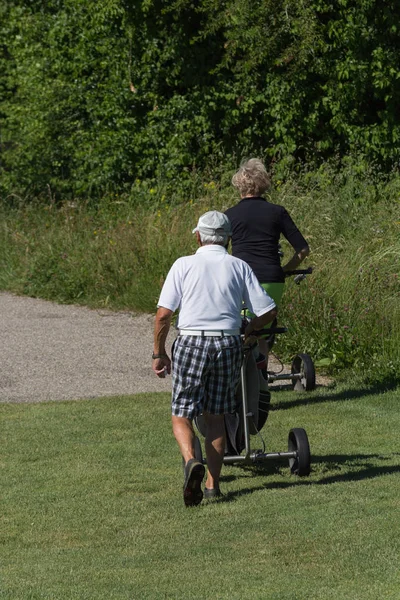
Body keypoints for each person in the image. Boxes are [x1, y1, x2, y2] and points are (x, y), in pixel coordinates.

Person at [152, 210, 277, 507]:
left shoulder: (183, 265)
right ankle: (212, 485)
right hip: (227, 342)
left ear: (198, 235)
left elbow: (163, 315)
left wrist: (158, 353)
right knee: (216, 418)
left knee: (181, 413)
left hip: (192, 341)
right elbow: (267, 311)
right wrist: (250, 328)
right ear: (228, 239)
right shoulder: (239, 266)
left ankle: (192, 460)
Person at [225, 158, 310, 358]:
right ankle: (262, 371)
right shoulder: (277, 212)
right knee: (263, 329)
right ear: (263, 184)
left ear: (239, 186)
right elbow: (303, 250)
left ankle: (242, 373)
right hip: (272, 278)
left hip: (240, 280)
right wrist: (286, 269)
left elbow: (220, 251)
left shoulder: (230, 215)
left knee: (241, 327)